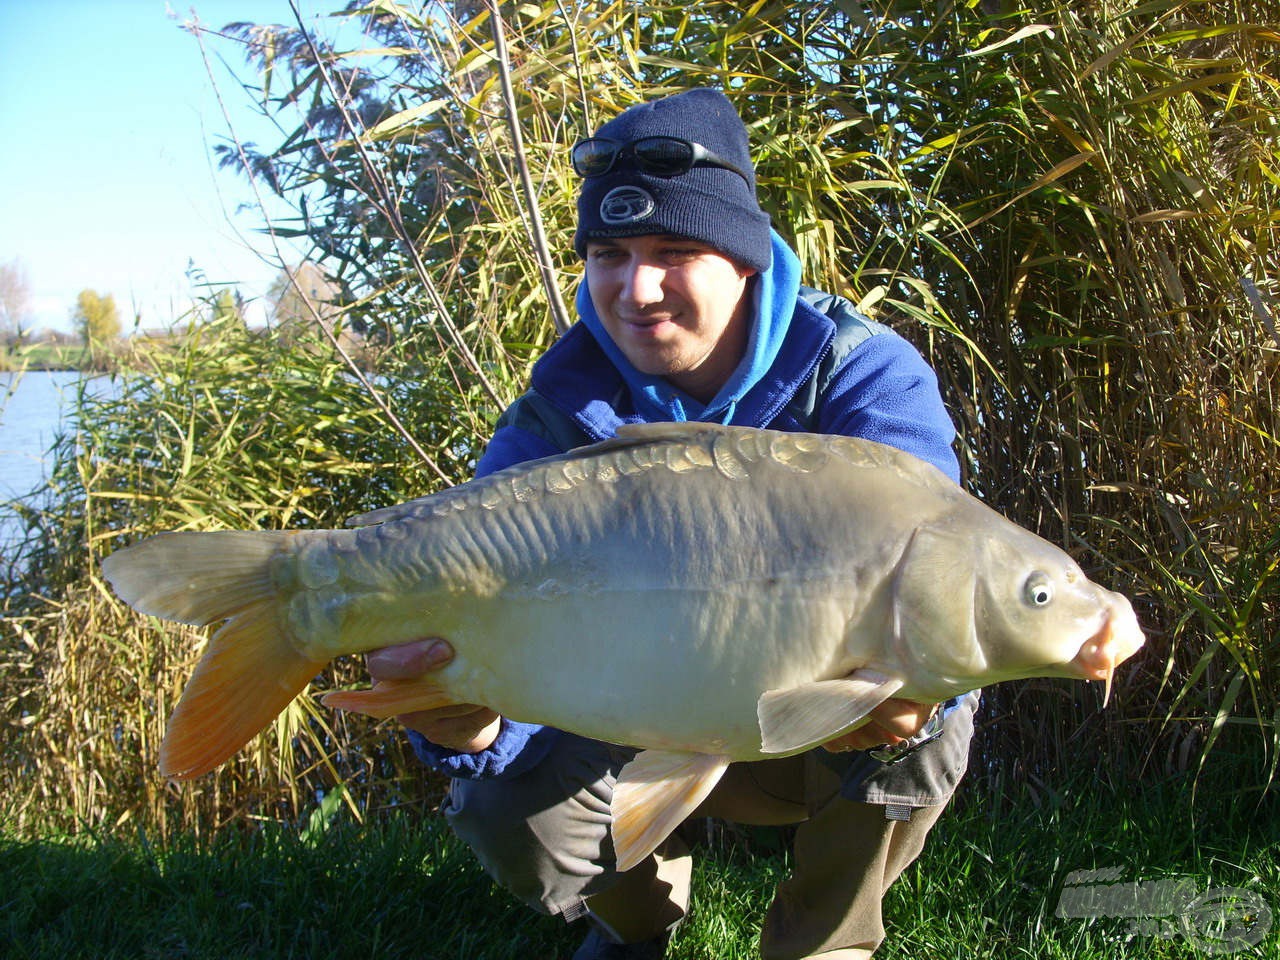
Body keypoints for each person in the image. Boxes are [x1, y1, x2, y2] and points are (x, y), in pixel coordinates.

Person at [366, 88, 979, 960]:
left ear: (745, 259)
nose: (636, 287)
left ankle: (826, 942)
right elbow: (502, 655)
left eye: (674, 250)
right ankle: (632, 926)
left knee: (934, 707)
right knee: (502, 802)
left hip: (818, 728)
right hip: (631, 718)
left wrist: (913, 681)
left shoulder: (863, 378)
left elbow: (943, 578)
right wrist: (473, 724)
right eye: (609, 253)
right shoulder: (553, 421)